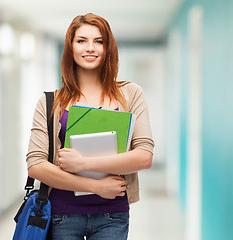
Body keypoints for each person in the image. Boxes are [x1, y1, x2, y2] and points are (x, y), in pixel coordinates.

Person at [26, 13, 154, 240]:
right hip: (62, 215)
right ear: (70, 47)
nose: (90, 48)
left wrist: (84, 163)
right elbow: (36, 165)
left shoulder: (131, 93)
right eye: (81, 40)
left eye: (99, 41)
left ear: (108, 48)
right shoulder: (49, 102)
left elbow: (144, 155)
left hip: (113, 214)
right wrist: (95, 186)